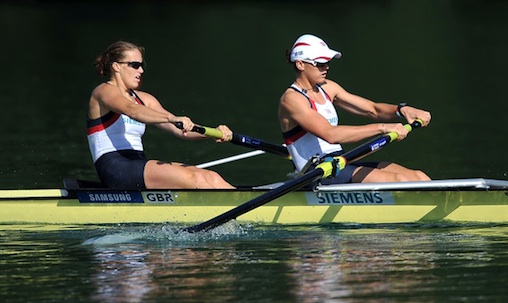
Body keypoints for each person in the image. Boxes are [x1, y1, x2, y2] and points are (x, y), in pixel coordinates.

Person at [278, 34, 432, 184]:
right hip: (316, 172)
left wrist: (402, 110)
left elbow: (373, 109)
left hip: (340, 161)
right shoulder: (292, 99)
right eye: (320, 64)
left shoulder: (327, 88)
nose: (326, 67)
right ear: (300, 64)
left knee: (419, 177)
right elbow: (330, 134)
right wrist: (383, 128)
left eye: (327, 63)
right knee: (400, 181)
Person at [88, 40, 234, 189]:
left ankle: (248, 207)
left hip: (138, 165)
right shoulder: (103, 92)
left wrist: (215, 133)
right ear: (116, 66)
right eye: (135, 65)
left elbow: (180, 130)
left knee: (212, 177)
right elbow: (131, 110)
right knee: (195, 179)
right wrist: (171, 118)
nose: (141, 71)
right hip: (115, 169)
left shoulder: (145, 99)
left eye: (142, 66)